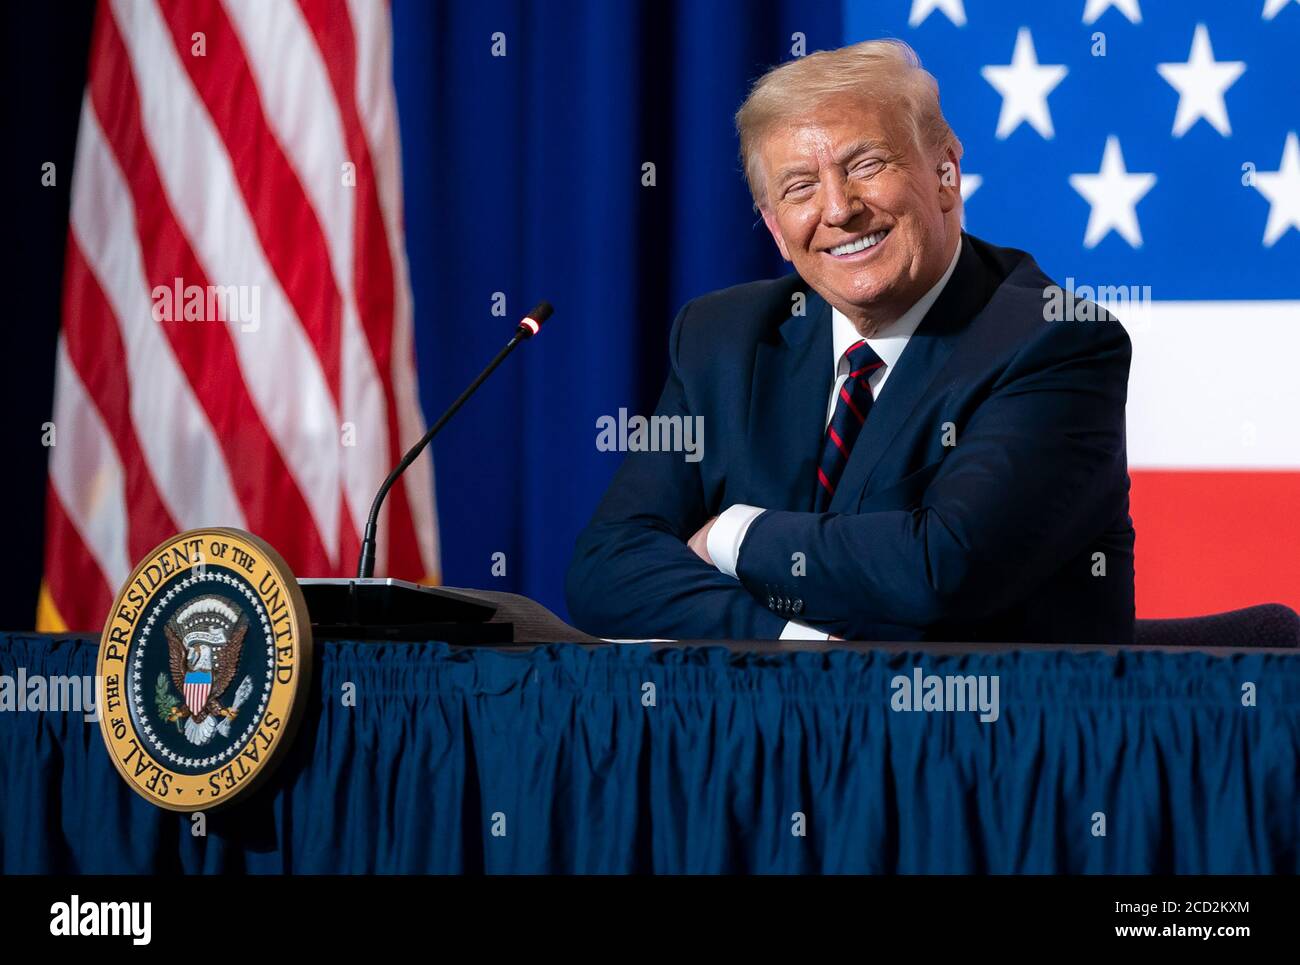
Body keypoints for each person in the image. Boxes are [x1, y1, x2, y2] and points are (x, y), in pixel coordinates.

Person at [566, 39, 1135, 643]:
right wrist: (789, 640)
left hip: (982, 725)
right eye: (800, 187)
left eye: (866, 165)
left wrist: (734, 535)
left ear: (946, 174)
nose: (838, 209)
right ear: (775, 229)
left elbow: (941, 569)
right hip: (778, 728)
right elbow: (607, 568)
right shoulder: (723, 337)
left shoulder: (1055, 340)